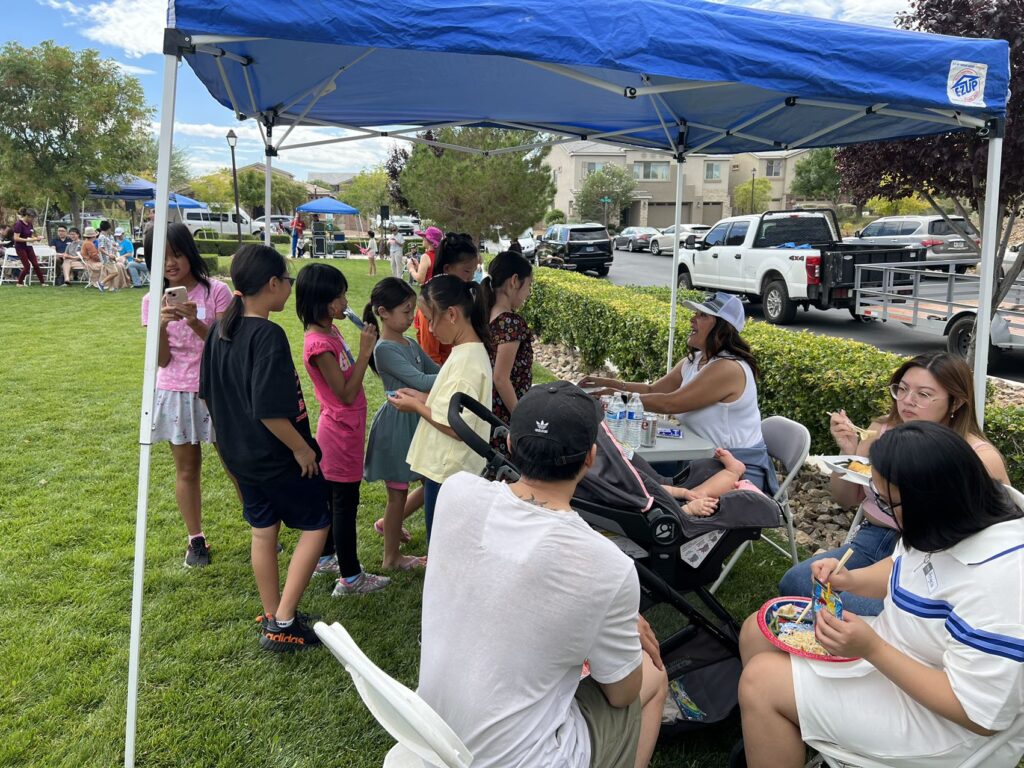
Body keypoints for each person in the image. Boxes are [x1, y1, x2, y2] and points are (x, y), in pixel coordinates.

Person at [736, 421, 1024, 768]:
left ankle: (778, 717)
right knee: (758, 629)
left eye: (889, 504)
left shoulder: (1002, 579)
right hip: (896, 657)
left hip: (943, 726)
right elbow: (905, 570)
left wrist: (872, 649)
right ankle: (779, 731)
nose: (886, 513)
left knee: (760, 682)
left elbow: (977, 714)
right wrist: (849, 580)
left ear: (928, 499)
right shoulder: (956, 514)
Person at [418, 381, 669, 768]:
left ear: (512, 446)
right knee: (651, 675)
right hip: (523, 759)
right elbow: (621, 694)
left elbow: (509, 577)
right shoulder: (608, 566)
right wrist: (609, 622)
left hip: (432, 732)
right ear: (591, 458)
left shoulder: (456, 493)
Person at [778, 351, 1009, 616]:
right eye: (902, 389)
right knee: (797, 581)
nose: (907, 401)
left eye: (923, 394)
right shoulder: (881, 431)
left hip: (934, 557)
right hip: (873, 539)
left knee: (850, 609)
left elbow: (990, 540)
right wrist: (849, 452)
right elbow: (845, 499)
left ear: (955, 403)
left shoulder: (978, 458)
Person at [199, 244, 329, 651]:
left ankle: (273, 613)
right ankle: (285, 620)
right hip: (275, 456)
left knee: (263, 531)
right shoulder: (267, 334)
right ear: (273, 284)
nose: (289, 288)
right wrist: (302, 450)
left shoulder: (221, 330)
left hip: (239, 455)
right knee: (317, 524)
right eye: (287, 281)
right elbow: (270, 411)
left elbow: (207, 396)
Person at [580, 292, 776, 493]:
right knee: (624, 469)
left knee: (629, 477)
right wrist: (609, 384)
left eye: (702, 315)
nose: (692, 319)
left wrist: (616, 396)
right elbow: (652, 390)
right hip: (699, 459)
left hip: (733, 468)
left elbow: (670, 403)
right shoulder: (696, 360)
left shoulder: (728, 368)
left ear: (722, 328)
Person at [140, 223, 233, 566]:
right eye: (160, 256)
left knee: (236, 462)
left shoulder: (217, 292)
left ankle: (261, 527)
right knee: (187, 469)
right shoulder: (152, 300)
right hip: (175, 392)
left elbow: (224, 347)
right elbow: (162, 360)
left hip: (216, 389)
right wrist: (162, 324)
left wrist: (194, 322)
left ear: (189, 252)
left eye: (176, 253)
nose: (170, 263)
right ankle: (196, 540)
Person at [295, 263, 391, 596]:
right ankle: (350, 578)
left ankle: (325, 558)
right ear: (320, 300)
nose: (344, 302)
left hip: (344, 431)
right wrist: (365, 351)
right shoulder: (318, 345)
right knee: (345, 504)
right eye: (338, 297)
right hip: (339, 434)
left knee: (337, 500)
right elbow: (346, 393)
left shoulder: (329, 330)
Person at [390, 275, 493, 541]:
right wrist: (424, 398)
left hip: (450, 471)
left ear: (452, 314)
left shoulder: (467, 360)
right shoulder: (465, 350)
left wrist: (415, 405)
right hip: (449, 468)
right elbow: (455, 404)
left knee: (441, 544)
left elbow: (457, 426)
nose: (429, 328)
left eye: (429, 318)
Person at [362, 278, 438, 570]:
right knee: (398, 494)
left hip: (416, 419)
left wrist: (456, 369)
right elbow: (420, 380)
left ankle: (388, 527)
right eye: (406, 312)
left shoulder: (410, 343)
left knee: (430, 480)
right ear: (383, 312)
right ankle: (391, 558)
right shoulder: (385, 349)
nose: (411, 318)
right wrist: (459, 375)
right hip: (398, 426)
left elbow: (435, 370)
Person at [481, 250, 534, 448]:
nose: (528, 293)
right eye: (528, 286)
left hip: (489, 409)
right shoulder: (511, 323)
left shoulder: (486, 314)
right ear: (514, 281)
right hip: (504, 417)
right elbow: (501, 378)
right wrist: (521, 419)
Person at [413, 231, 480, 365]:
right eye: (466, 271)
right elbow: (431, 356)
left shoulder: (463, 300)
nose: (471, 278)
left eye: (474, 272)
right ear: (447, 268)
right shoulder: (431, 305)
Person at [12, 207, 47, 287]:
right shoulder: (19, 224)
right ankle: (19, 283)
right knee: (27, 266)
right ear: (27, 216)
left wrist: (37, 238)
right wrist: (29, 240)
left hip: (29, 246)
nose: (33, 220)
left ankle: (43, 283)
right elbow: (16, 238)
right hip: (20, 247)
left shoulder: (30, 224)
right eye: (32, 218)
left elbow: (32, 235)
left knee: (35, 264)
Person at [97, 220, 129, 290]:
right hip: (106, 258)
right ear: (108, 228)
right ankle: (101, 283)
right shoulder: (102, 237)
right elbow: (100, 249)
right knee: (115, 272)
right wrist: (109, 255)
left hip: (110, 257)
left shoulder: (106, 236)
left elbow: (107, 246)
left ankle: (111, 287)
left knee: (113, 272)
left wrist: (114, 249)